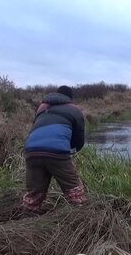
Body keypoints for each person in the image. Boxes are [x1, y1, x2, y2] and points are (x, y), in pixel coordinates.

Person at [22, 85, 86, 213]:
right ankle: (81, 217)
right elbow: (78, 136)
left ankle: (28, 219)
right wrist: (74, 148)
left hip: (31, 151)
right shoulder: (74, 110)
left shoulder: (42, 107)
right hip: (57, 152)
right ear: (70, 98)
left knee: (35, 193)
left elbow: (37, 127)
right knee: (74, 190)